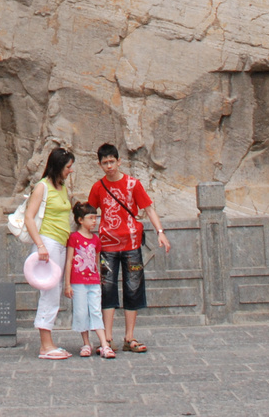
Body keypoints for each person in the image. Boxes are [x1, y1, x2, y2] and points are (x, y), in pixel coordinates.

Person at [88, 143, 171, 353]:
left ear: (119, 161)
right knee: (107, 288)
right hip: (107, 246)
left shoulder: (133, 184)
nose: (109, 166)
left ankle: (129, 337)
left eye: (112, 162)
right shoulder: (98, 187)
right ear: (99, 165)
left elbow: (148, 208)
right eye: (105, 163)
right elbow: (89, 212)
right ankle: (107, 338)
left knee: (133, 288)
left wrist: (160, 232)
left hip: (132, 244)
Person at [23, 146, 76, 359]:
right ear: (57, 166)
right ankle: (45, 345)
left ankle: (49, 341)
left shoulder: (61, 187)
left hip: (60, 244)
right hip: (48, 243)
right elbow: (29, 217)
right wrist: (41, 246)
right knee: (50, 292)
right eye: (68, 167)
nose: (70, 171)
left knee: (54, 292)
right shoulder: (42, 187)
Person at [64, 202, 116, 359]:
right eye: (91, 218)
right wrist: (67, 284)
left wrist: (99, 278)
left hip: (93, 281)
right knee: (81, 312)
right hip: (78, 281)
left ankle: (104, 344)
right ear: (80, 220)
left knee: (95, 311)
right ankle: (86, 342)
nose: (94, 221)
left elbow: (97, 260)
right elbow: (69, 261)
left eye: (95, 218)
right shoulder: (74, 238)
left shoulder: (96, 240)